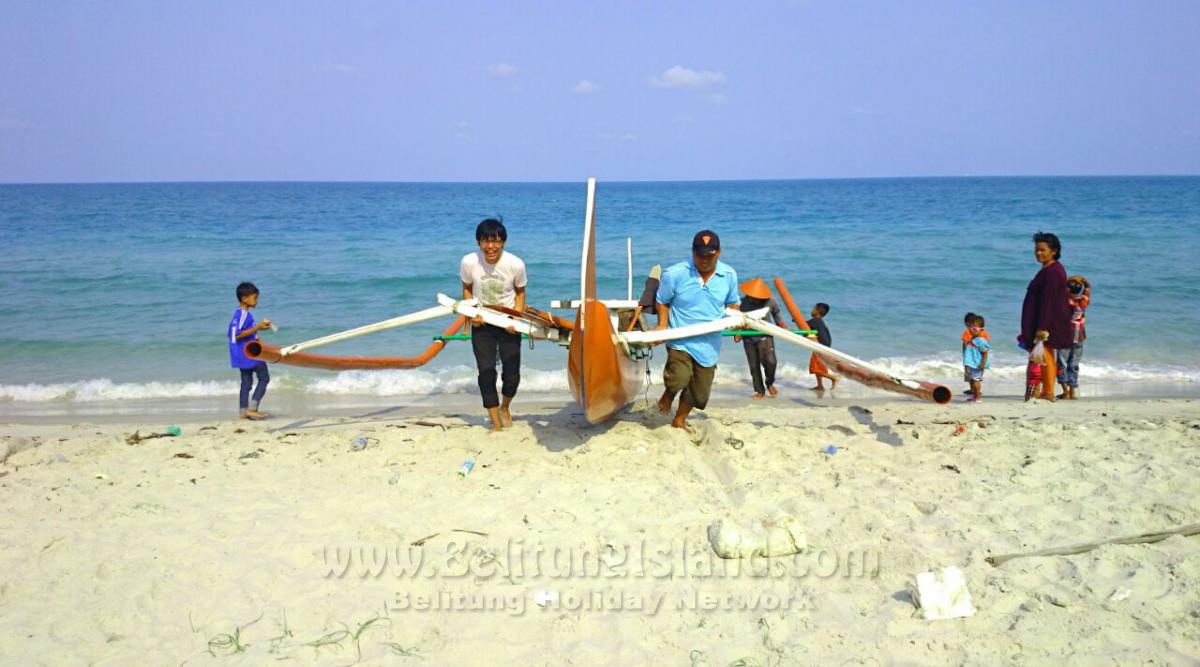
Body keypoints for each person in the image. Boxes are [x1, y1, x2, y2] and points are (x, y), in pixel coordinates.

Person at [655, 230, 740, 431]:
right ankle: (668, 394)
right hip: (680, 338)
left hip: (709, 343)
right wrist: (661, 325)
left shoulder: (728, 275)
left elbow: (733, 303)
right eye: (699, 255)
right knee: (679, 378)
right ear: (692, 252)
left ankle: (679, 419)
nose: (704, 260)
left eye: (709, 256)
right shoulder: (675, 274)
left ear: (718, 253)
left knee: (700, 393)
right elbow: (662, 301)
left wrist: (736, 321)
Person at [460, 218, 527, 431]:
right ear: (479, 242)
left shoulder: (515, 264)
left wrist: (515, 320)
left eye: (496, 241)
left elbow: (520, 293)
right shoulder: (469, 262)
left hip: (508, 321)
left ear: (504, 242)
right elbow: (467, 289)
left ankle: (505, 406)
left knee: (512, 374)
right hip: (482, 323)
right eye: (486, 241)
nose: (491, 246)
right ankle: (496, 424)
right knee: (486, 373)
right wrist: (472, 315)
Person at [1019, 232, 1073, 402]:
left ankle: (1048, 392)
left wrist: (1043, 327)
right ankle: (1043, 390)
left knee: (1046, 355)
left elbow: (1050, 302)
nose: (1038, 253)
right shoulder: (1048, 269)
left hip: (1047, 322)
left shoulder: (1053, 271)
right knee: (1043, 355)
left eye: (1043, 250)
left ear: (1054, 251)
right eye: (1036, 250)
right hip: (1041, 320)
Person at [734, 277, 786, 399]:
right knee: (754, 366)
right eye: (751, 296)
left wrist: (783, 328)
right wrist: (737, 332)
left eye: (756, 297)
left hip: (765, 337)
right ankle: (760, 390)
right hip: (748, 338)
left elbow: (777, 316)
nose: (753, 299)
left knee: (771, 363)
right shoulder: (742, 303)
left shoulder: (770, 301)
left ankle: (770, 383)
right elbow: (737, 320)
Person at [228, 282, 271, 420]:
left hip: (241, 354)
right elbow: (237, 334)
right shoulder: (242, 315)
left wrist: (267, 348)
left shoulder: (243, 315)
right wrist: (258, 327)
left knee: (246, 383)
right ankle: (252, 409)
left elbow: (252, 335)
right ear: (244, 299)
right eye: (255, 297)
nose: (257, 300)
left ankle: (243, 412)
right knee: (264, 378)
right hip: (248, 353)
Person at [1057, 275, 1091, 400]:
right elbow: (1087, 288)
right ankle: (1072, 391)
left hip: (1066, 336)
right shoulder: (1083, 302)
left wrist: (1068, 279)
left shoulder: (1066, 302)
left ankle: (1065, 390)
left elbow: (1061, 289)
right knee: (1074, 364)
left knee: (1061, 363)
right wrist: (1082, 280)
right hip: (1080, 336)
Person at [807, 303, 837, 391]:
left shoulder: (815, 321)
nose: (812, 310)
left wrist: (795, 318)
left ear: (817, 311)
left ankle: (833, 378)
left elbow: (803, 324)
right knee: (818, 366)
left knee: (814, 367)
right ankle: (820, 386)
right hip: (823, 346)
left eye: (813, 308)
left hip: (821, 347)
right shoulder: (819, 321)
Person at [962, 314, 990, 403]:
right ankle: (974, 396)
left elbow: (985, 353)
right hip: (971, 363)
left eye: (975, 329)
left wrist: (982, 363)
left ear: (981, 329)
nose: (971, 330)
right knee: (972, 380)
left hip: (977, 364)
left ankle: (977, 397)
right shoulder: (973, 339)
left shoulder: (981, 340)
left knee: (976, 380)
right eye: (970, 328)